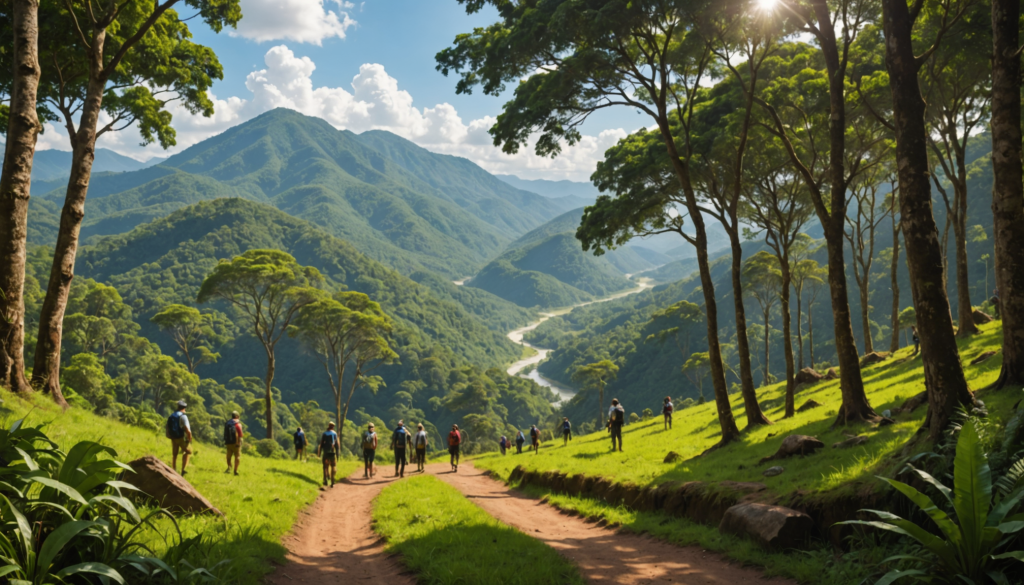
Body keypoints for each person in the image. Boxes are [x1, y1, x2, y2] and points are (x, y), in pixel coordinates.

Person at [166, 400, 193, 477]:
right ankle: (183, 470)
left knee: (175, 454)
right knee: (188, 452)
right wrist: (189, 439)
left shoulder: (172, 415)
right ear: (184, 408)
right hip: (180, 438)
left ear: (178, 407)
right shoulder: (183, 416)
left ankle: (173, 469)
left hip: (173, 437)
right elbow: (188, 430)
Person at [317, 422, 340, 488]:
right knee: (333, 466)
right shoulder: (334, 433)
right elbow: (337, 445)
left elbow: (321, 444)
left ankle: (325, 480)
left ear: (328, 426)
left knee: (325, 467)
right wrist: (337, 454)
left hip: (326, 453)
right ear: (333, 427)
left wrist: (319, 453)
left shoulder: (324, 433)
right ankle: (332, 482)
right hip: (332, 453)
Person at [224, 411, 243, 476]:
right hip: (236, 443)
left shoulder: (227, 423)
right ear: (237, 416)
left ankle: (229, 467)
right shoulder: (238, 424)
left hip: (228, 443)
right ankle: (235, 470)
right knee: (237, 456)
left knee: (228, 455)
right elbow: (240, 435)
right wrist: (239, 442)